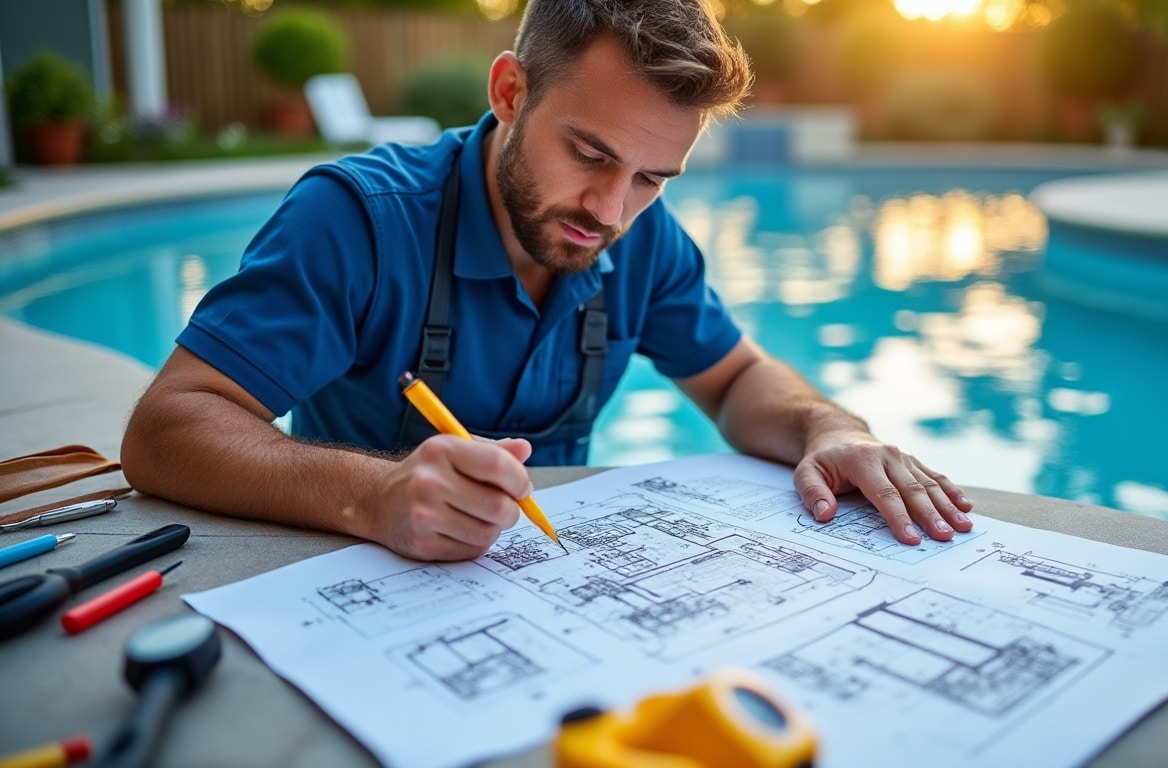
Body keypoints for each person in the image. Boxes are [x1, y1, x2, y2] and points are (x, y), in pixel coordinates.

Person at [121, 0, 974, 562]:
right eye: (590, 155)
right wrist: (370, 495)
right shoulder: (356, 222)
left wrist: (826, 428)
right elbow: (165, 430)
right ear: (508, 90)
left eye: (652, 177)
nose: (611, 209)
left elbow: (739, 378)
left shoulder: (647, 242)